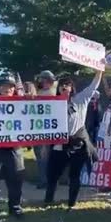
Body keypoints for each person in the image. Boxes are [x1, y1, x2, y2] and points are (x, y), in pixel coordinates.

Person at [44, 70, 102, 209]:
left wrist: (99, 71)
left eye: (67, 85)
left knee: (74, 176)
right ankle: (48, 201)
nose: (64, 87)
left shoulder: (80, 99)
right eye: (62, 85)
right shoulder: (51, 104)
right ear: (58, 88)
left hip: (77, 145)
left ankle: (71, 203)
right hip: (59, 145)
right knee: (53, 176)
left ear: (71, 87)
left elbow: (93, 86)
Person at [0, 73, 26, 222]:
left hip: (14, 148)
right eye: (4, 85)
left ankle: (15, 208)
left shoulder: (22, 104)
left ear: (14, 88)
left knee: (16, 179)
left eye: (10, 86)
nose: (7, 88)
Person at [34, 70, 57, 189]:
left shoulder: (51, 93)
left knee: (44, 157)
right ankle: (44, 179)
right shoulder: (39, 92)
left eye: (47, 80)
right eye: (43, 79)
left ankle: (45, 180)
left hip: (46, 129)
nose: (44, 82)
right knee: (39, 156)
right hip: (37, 128)